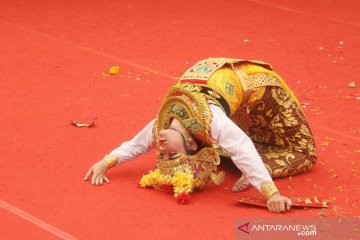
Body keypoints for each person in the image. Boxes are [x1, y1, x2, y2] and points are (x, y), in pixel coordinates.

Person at [84, 58, 317, 213]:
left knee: (302, 151)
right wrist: (272, 194)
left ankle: (254, 168)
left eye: (162, 155)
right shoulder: (209, 120)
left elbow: (137, 145)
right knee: (304, 155)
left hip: (258, 82)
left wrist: (106, 162)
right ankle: (258, 168)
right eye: (171, 154)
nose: (161, 148)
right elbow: (242, 146)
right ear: (191, 142)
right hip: (237, 95)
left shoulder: (165, 124)